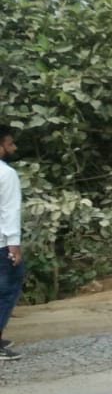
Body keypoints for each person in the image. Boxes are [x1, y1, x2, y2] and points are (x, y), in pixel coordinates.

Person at [0, 125, 24, 361]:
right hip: (1, 244)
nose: (13, 148)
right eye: (9, 144)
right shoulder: (6, 174)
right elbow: (9, 210)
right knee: (8, 289)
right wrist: (14, 246)